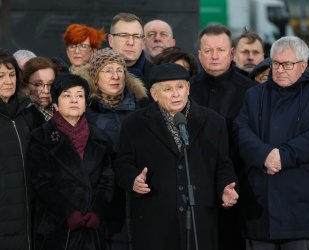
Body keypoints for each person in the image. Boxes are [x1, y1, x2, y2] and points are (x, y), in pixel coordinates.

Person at [114, 63, 239, 250]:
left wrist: (225, 187)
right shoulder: (134, 124)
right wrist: (133, 180)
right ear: (154, 95)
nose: (175, 94)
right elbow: (122, 164)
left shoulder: (214, 122)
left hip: (200, 223)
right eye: (168, 89)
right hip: (155, 226)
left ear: (188, 88)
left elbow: (223, 164)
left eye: (180, 87)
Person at [233, 36, 309, 250]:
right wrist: (264, 155)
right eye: (275, 63)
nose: (280, 69)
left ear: (303, 65)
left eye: (287, 64)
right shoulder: (255, 94)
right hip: (260, 207)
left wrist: (282, 156)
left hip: (304, 210)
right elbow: (240, 131)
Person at [28, 72, 114, 250]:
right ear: (55, 105)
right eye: (67, 95)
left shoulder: (100, 138)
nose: (74, 100)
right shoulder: (41, 136)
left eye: (79, 95)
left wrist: (97, 212)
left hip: (92, 230)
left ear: (86, 103)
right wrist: (67, 213)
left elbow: (107, 180)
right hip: (58, 229)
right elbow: (41, 182)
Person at [190, 23, 256, 249]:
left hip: (238, 191)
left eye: (220, 50)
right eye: (208, 51)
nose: (214, 56)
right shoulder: (185, 90)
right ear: (199, 54)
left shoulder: (251, 92)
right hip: (192, 192)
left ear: (232, 53)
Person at [74, 47, 147, 250]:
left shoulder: (142, 108)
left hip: (136, 196)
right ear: (95, 77)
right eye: (107, 70)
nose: (115, 76)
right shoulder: (84, 112)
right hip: (99, 201)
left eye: (120, 70)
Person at [0, 49, 37, 249]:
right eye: (1, 76)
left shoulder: (27, 112)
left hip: (28, 213)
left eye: (12, 74)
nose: (8, 81)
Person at [108, 13, 153, 86]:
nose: (131, 42)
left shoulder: (158, 77)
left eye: (137, 36)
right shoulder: (91, 76)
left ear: (143, 42)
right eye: (124, 36)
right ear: (111, 40)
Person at [21, 57, 60, 125]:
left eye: (50, 84)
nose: (46, 90)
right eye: (38, 84)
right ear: (25, 85)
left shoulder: (64, 108)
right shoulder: (22, 117)